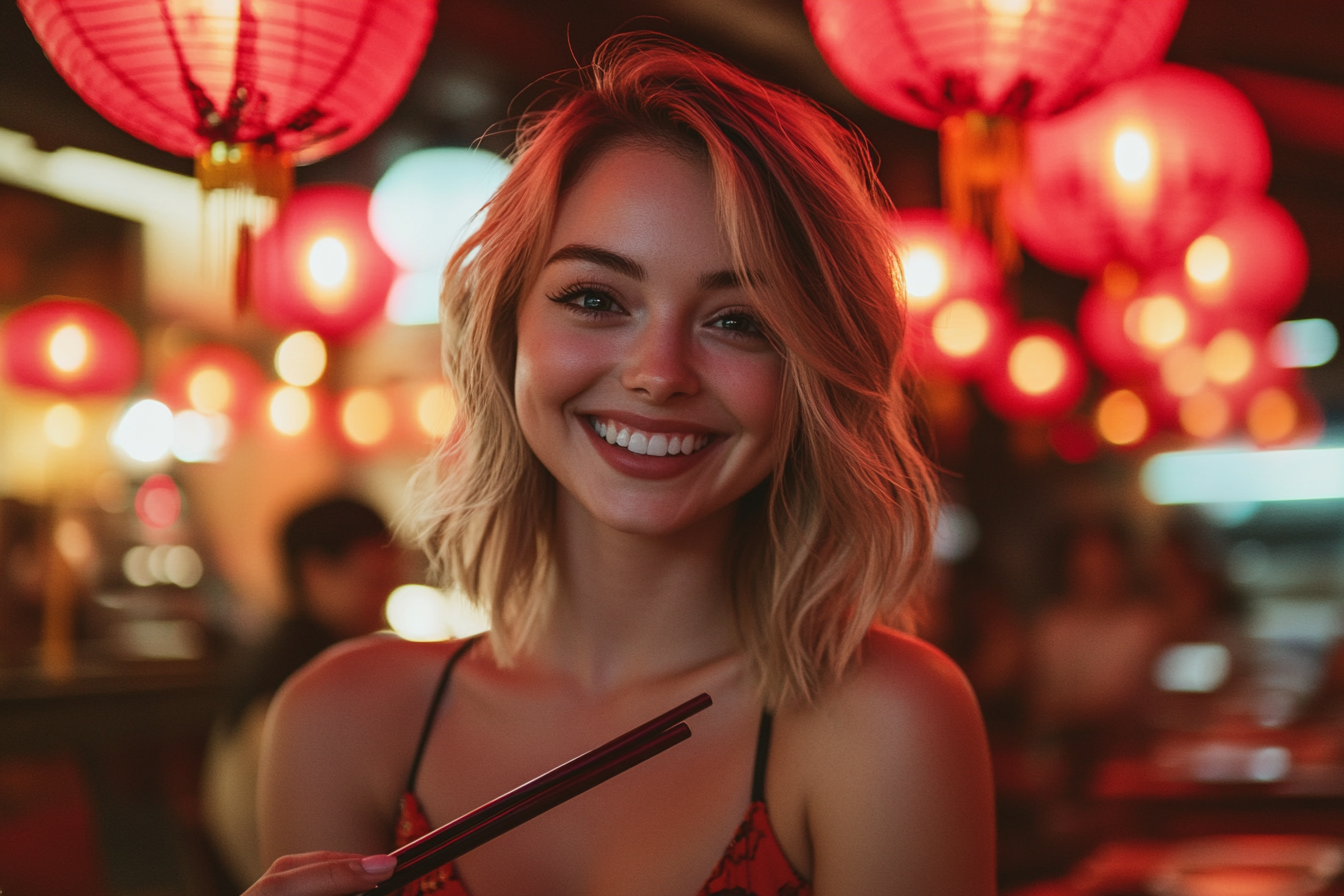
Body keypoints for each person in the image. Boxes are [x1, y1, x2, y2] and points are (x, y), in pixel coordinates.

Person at [248, 34, 995, 896]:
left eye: (738, 321)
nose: (659, 373)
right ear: (507, 331)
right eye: (596, 299)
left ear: (810, 374)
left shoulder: (884, 720)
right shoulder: (340, 720)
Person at [203, 496, 403, 889]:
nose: (385, 598)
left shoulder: (281, 656)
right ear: (315, 572)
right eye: (372, 581)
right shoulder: (310, 682)